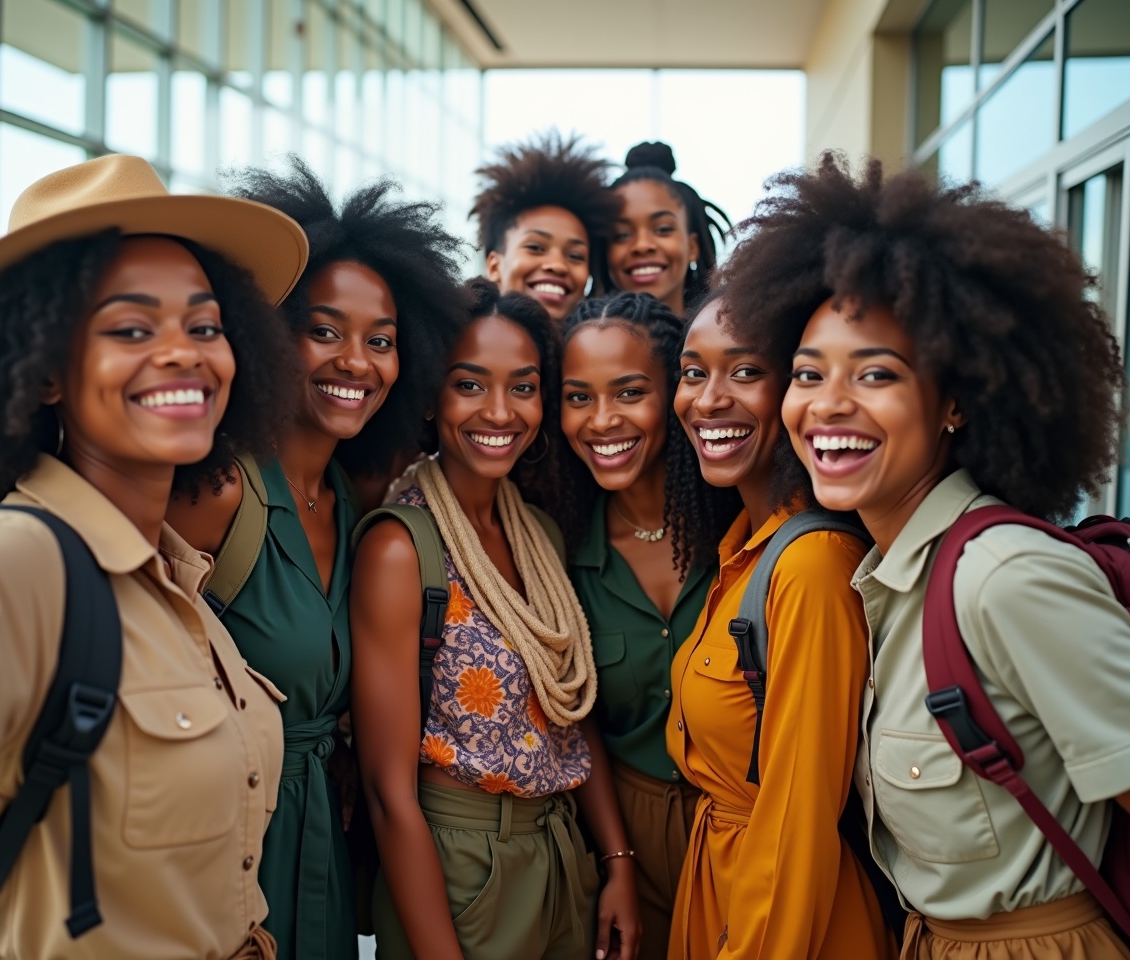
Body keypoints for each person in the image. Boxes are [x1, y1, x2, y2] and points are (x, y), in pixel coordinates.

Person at [0, 154, 305, 959]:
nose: (184, 353)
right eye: (131, 328)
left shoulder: (177, 581)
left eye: (205, 326)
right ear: (42, 374)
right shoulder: (6, 567)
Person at [719, 151, 1130, 960]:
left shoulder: (1004, 576)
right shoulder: (877, 571)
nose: (829, 405)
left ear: (953, 403)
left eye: (876, 374)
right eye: (809, 374)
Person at [166, 159, 468, 960]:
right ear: (268, 334)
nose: (357, 362)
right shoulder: (219, 489)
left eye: (383, 341)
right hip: (217, 858)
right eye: (325, 331)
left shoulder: (354, 498)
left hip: (320, 858)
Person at [350, 278, 641, 960]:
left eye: (523, 386)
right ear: (429, 397)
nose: (500, 411)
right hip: (458, 866)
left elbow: (569, 705)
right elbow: (387, 791)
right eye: (470, 385)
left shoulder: (535, 529)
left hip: (560, 850)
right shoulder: (400, 547)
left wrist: (618, 860)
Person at [665, 290, 897, 959]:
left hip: (787, 926)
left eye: (744, 372)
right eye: (692, 372)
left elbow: (798, 828)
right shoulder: (744, 551)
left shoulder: (812, 566)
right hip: (719, 889)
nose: (707, 400)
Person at [555, 291, 721, 960]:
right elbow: (580, 719)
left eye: (628, 392)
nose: (601, 421)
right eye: (577, 397)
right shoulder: (560, 550)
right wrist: (618, 861)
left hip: (751, 824)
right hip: (630, 832)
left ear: (674, 392)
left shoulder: (739, 526)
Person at [472, 131, 620, 324]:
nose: (558, 266)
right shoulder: (457, 345)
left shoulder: (604, 350)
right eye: (535, 248)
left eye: (575, 256)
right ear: (494, 266)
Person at [593, 142, 730, 317]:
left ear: (693, 247)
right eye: (622, 234)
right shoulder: (574, 341)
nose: (642, 245)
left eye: (663, 229)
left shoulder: (728, 337)